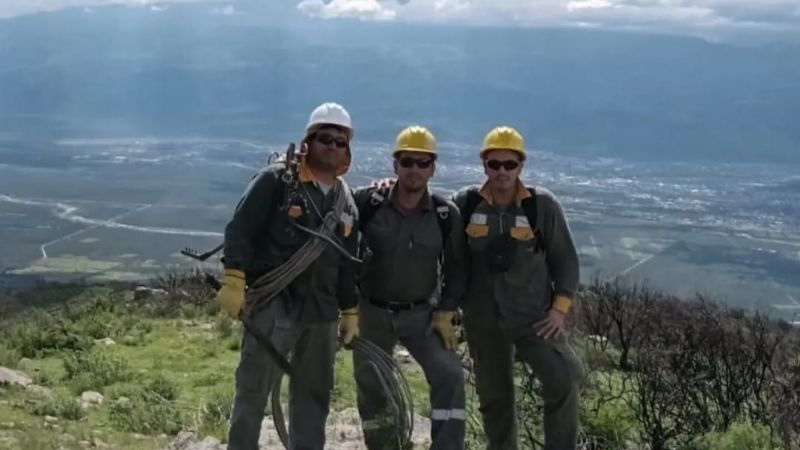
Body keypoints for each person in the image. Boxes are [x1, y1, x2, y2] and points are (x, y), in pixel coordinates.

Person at [216, 102, 361, 450]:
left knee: (314, 395)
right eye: (325, 138)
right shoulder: (277, 181)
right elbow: (240, 229)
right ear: (308, 141)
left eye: (340, 141)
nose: (333, 146)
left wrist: (350, 311)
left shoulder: (347, 202)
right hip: (273, 305)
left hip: (322, 313)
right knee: (254, 390)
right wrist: (234, 279)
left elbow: (346, 264)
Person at [451, 126, 584, 450]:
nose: (501, 171)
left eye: (509, 164)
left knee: (563, 378)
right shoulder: (466, 204)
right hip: (483, 322)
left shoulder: (541, 206)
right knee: (495, 400)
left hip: (533, 319)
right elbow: (450, 260)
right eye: (494, 164)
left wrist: (559, 309)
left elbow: (566, 260)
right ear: (484, 165)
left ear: (521, 166)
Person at [352, 125, 467, 450]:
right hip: (371, 312)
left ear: (433, 168)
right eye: (407, 162)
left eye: (422, 162)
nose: (414, 169)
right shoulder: (368, 201)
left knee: (449, 375)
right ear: (395, 165)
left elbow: (458, 269)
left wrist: (446, 310)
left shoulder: (446, 214)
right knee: (372, 386)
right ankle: (384, 445)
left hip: (421, 315)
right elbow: (338, 240)